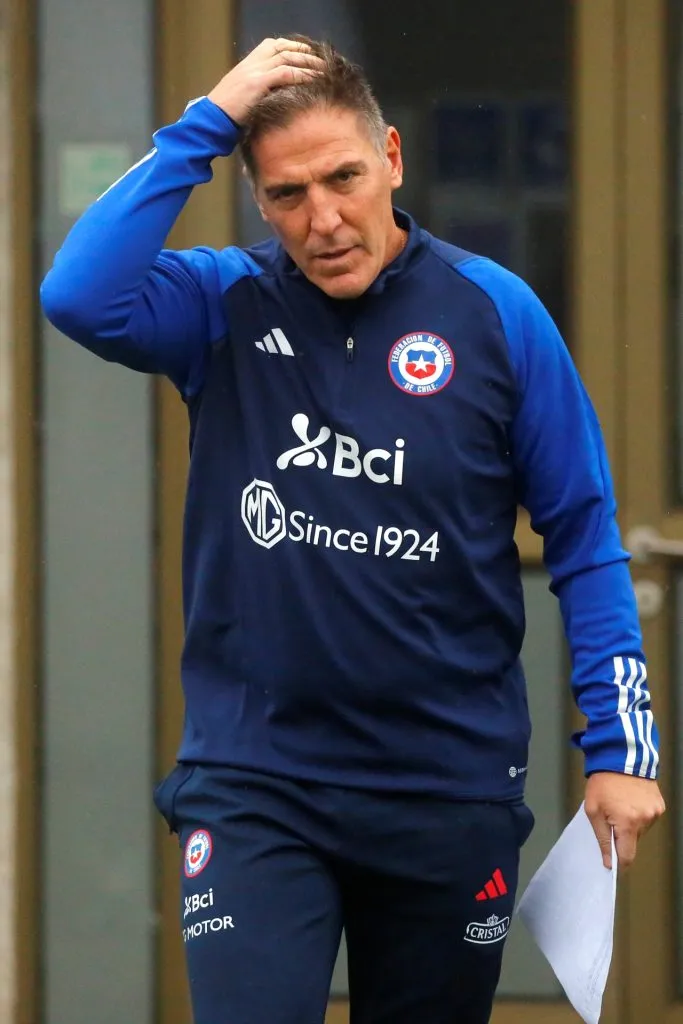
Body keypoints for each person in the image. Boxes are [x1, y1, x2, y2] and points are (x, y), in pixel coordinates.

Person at [40, 33, 665, 1024]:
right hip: (257, 783)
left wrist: (621, 747)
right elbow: (78, 294)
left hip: (446, 788)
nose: (323, 219)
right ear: (257, 200)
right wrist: (207, 123)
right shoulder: (222, 303)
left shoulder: (495, 314)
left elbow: (584, 541)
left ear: (391, 160)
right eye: (286, 194)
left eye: (343, 178)